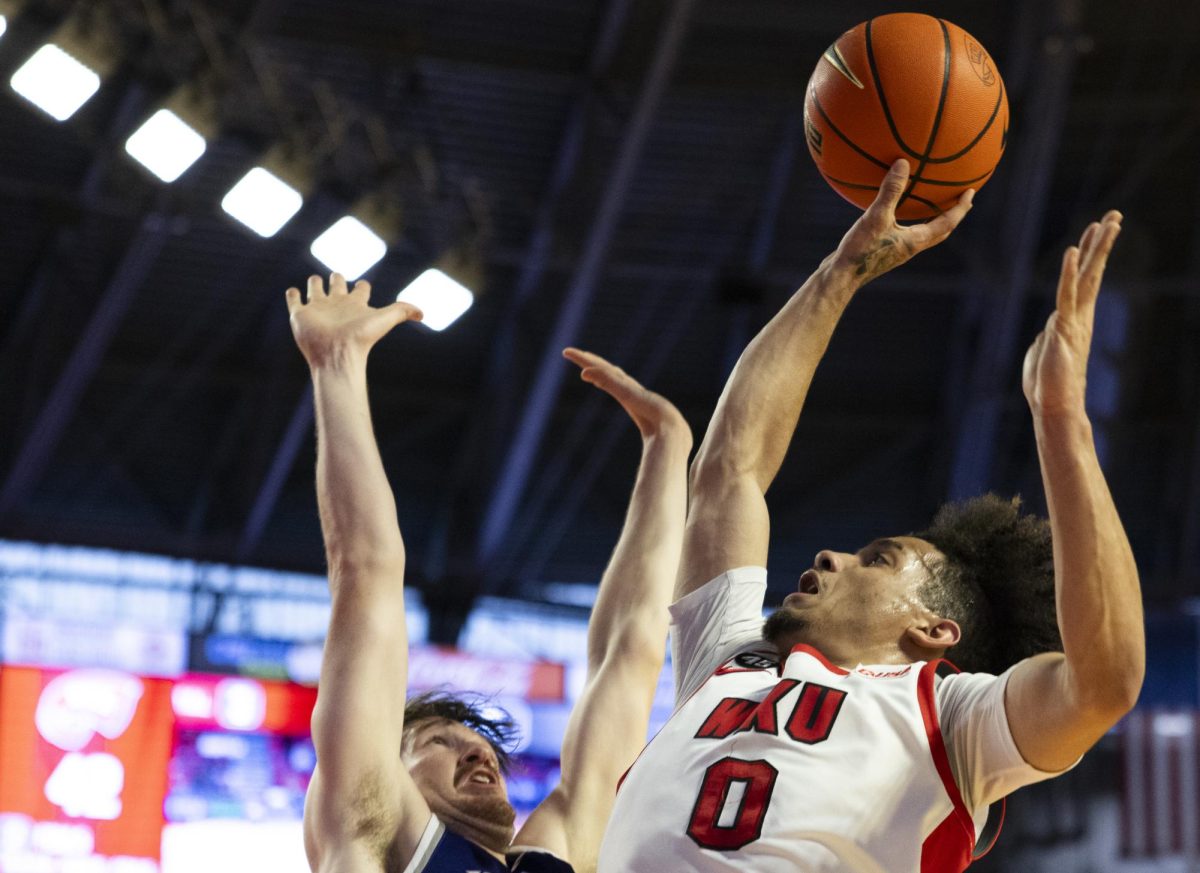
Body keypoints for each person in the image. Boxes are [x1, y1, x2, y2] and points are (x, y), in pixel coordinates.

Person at [598, 160, 1144, 872]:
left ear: (932, 629)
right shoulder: (729, 661)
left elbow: (1104, 681)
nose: (831, 556)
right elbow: (729, 470)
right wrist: (840, 272)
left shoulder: (956, 721)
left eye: (878, 557)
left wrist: (1063, 420)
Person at [285, 273, 692, 873]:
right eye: (439, 744)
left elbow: (629, 656)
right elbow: (366, 569)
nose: (478, 756)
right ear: (388, 766)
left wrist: (667, 446)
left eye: (483, 752)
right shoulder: (381, 832)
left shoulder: (551, 857)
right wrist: (338, 364)